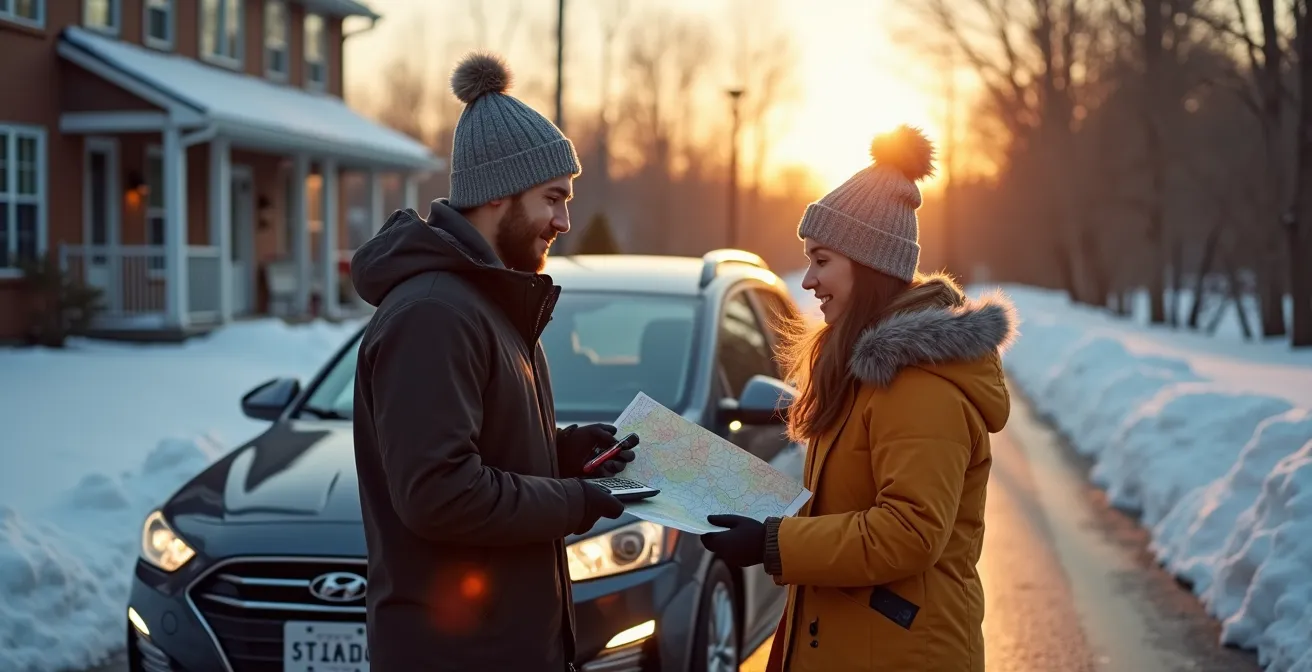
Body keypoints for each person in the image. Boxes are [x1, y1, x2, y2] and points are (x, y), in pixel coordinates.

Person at [350, 51, 637, 672]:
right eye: (554, 199)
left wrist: (564, 452)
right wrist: (573, 499)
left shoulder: (487, 302)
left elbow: (480, 451)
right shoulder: (434, 314)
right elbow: (440, 492)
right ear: (499, 195)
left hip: (502, 642)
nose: (565, 220)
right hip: (457, 651)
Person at [700, 125, 1017, 671]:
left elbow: (909, 531)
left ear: (868, 264)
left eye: (821, 260)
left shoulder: (920, 383)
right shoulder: (863, 374)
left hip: (902, 654)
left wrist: (775, 542)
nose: (809, 281)